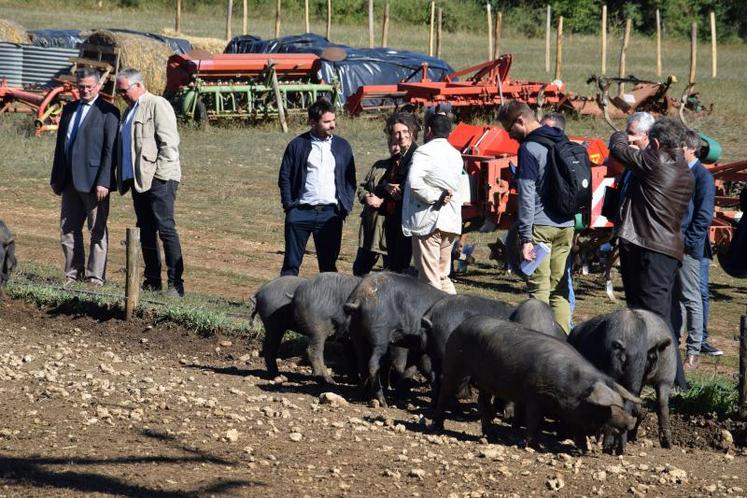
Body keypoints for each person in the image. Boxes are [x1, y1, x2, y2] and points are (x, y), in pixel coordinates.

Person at [608, 117, 694, 389]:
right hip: (661, 250)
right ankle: (644, 374)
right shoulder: (684, 169)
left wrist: (626, 137)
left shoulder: (655, 162)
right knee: (649, 315)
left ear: (655, 143)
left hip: (650, 249)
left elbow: (617, 149)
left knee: (657, 319)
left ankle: (677, 383)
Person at [498, 101, 575, 332]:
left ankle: (540, 343)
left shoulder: (529, 148)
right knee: (560, 289)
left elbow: (527, 195)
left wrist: (525, 237)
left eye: (510, 129)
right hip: (566, 225)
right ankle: (564, 339)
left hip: (540, 227)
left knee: (538, 290)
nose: (510, 136)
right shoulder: (561, 139)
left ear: (521, 120)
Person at [115, 68, 185, 297]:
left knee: (165, 229)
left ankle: (176, 285)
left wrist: (161, 176)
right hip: (138, 180)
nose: (121, 94)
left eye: (123, 90)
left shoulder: (157, 104)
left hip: (158, 179)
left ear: (137, 85)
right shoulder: (129, 111)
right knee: (145, 230)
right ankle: (152, 281)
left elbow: (169, 143)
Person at [50, 67, 120, 287]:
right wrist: (56, 177)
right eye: (81, 87)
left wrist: (104, 181)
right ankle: (72, 274)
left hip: (94, 183)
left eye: (89, 87)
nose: (85, 91)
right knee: (68, 229)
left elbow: (111, 150)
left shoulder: (109, 111)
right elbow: (60, 146)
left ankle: (94, 277)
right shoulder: (69, 109)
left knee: (97, 229)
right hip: (69, 181)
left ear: (99, 86)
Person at [278, 98, 356, 276]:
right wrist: (290, 206)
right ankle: (284, 302)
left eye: (333, 120)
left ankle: (328, 304)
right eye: (327, 122)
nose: (332, 125)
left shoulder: (343, 146)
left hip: (330, 215)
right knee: (290, 265)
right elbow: (285, 177)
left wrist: (344, 207)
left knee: (328, 268)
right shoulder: (297, 145)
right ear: (312, 122)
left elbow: (350, 179)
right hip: (300, 213)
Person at [402, 112, 462, 294]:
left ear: (429, 130)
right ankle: (454, 315)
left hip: (429, 221)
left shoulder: (424, 152)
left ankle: (434, 319)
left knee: (429, 279)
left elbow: (414, 182)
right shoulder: (456, 154)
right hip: (450, 222)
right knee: (442, 276)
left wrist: (435, 196)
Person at [673, 130, 716, 369]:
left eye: (679, 147)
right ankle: (676, 343)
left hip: (689, 247)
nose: (676, 151)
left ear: (690, 149)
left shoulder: (702, 176)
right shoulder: (683, 172)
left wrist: (689, 243)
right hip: (675, 243)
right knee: (677, 296)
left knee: (691, 298)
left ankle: (694, 349)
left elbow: (703, 215)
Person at [540, 112, 575, 327]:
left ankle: (544, 331)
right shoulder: (572, 153)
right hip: (566, 224)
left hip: (547, 225)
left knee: (547, 283)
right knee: (561, 279)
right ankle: (563, 330)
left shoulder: (547, 154)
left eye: (546, 128)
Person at [381, 112, 420, 273]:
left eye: (405, 131)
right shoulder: (398, 156)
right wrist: (387, 186)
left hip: (407, 216)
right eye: (397, 132)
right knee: (393, 261)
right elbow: (384, 179)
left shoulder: (417, 155)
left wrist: (400, 189)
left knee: (400, 262)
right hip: (393, 215)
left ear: (412, 132)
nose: (401, 136)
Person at [352, 140, 397, 276]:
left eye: (398, 144)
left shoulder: (406, 169)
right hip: (370, 226)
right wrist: (366, 197)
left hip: (390, 229)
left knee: (391, 273)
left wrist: (382, 202)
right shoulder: (379, 166)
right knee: (360, 269)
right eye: (392, 143)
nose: (395, 147)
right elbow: (362, 187)